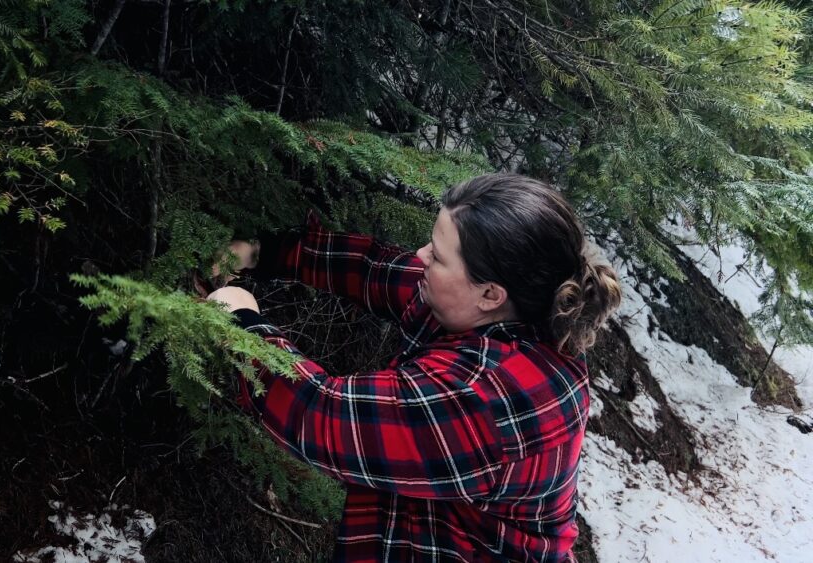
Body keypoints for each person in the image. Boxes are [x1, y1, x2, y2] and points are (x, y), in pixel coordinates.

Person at [207, 173, 622, 562]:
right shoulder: (511, 310)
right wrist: (264, 253)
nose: (421, 256)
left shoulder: (488, 397)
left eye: (438, 257)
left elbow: (323, 416)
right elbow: (378, 270)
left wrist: (243, 326)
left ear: (491, 293)